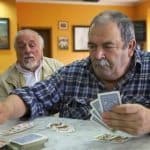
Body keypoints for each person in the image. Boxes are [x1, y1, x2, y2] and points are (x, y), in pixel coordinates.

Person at [0, 10, 150, 136]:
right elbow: (35, 96)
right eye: (92, 46)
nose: (97, 55)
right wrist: (6, 109)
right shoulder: (71, 74)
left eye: (108, 46)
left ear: (130, 47)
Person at [0, 29, 63, 100]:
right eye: (21, 46)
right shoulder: (4, 81)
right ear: (16, 50)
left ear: (41, 48)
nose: (27, 50)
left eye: (32, 45)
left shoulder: (58, 68)